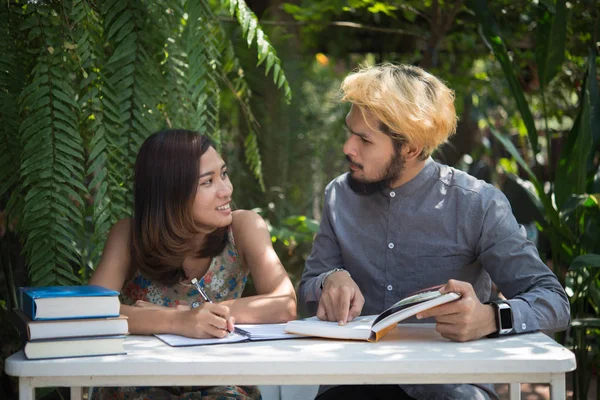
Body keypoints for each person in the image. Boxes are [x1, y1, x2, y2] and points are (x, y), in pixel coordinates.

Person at [298, 64, 570, 400]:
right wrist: (328, 281)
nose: (347, 147)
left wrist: (490, 317)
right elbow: (307, 289)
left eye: (364, 139)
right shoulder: (339, 195)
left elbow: (553, 301)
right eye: (350, 132)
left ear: (410, 149)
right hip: (354, 384)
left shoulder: (477, 204)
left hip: (451, 387)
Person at [90, 129, 297, 400]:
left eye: (223, 174)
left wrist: (197, 312)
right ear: (170, 194)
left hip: (221, 381)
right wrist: (176, 320)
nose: (226, 190)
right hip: (139, 377)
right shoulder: (129, 236)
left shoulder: (244, 226)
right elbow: (90, 314)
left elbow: (285, 305)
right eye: (207, 182)